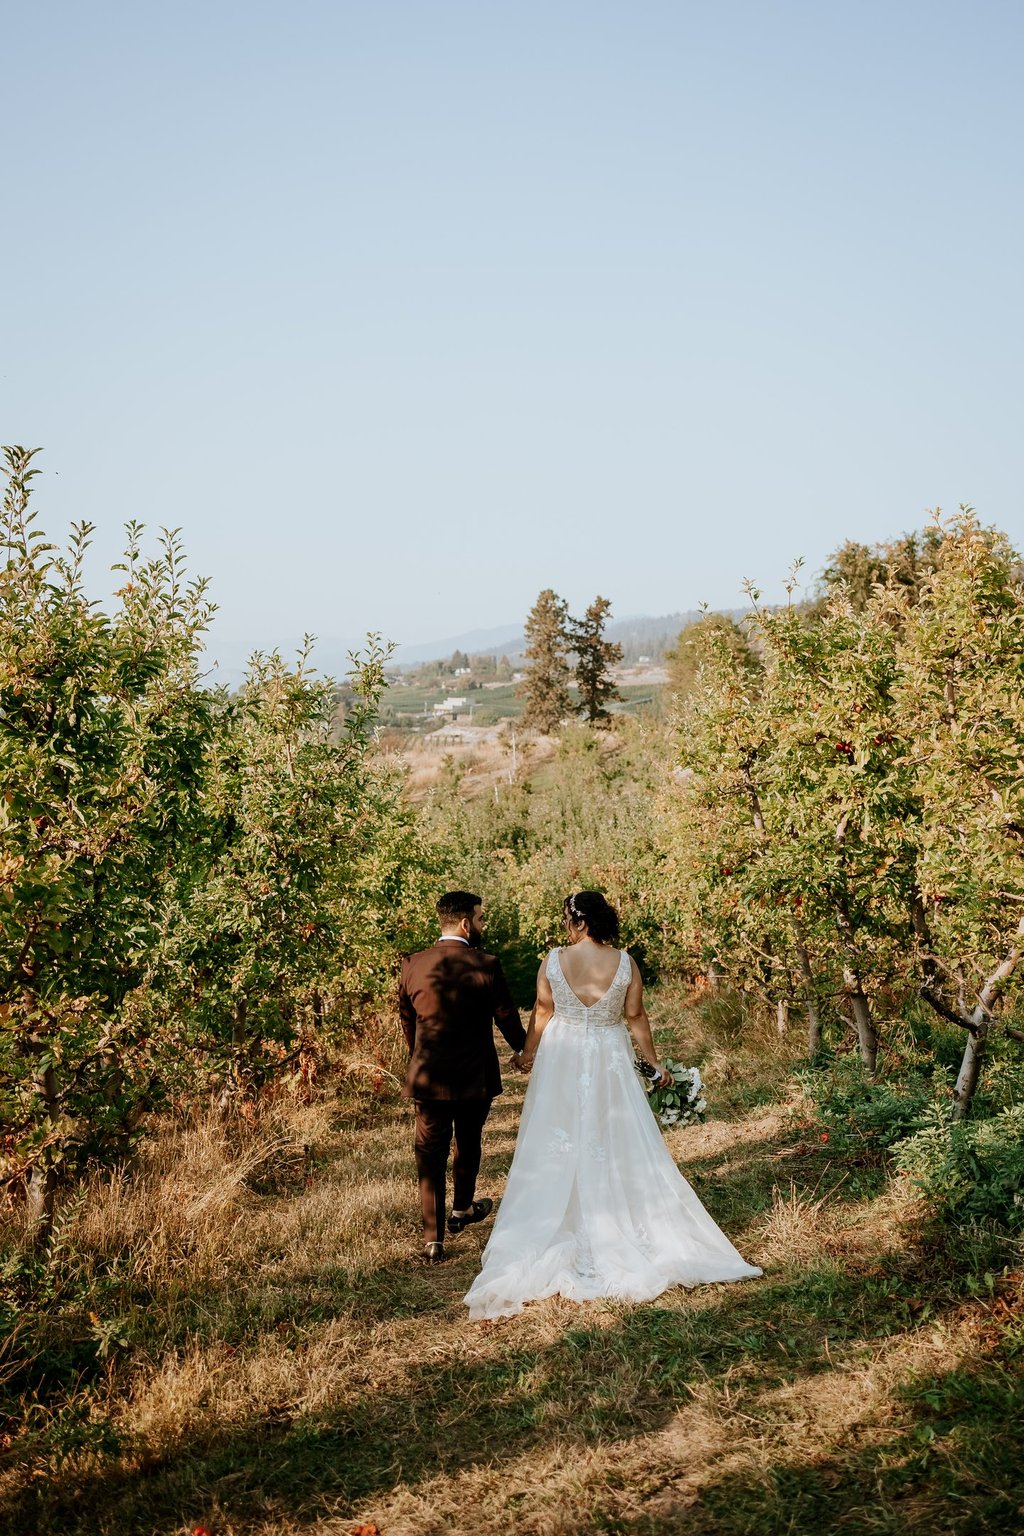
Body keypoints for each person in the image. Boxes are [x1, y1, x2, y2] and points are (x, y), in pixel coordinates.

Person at [464, 891, 761, 1319]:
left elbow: (543, 1012)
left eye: (568, 919)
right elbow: (636, 1016)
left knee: (556, 1134)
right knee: (613, 1134)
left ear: (578, 921)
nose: (566, 925)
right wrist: (654, 1064)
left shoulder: (553, 959)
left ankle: (558, 1221)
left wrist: (528, 1053)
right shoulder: (625, 962)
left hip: (562, 1057)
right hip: (608, 1056)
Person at [399, 890, 527, 1263]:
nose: (483, 925)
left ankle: (433, 1239)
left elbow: (408, 1022)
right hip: (475, 1075)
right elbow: (506, 1017)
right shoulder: (486, 964)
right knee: (468, 1142)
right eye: (481, 918)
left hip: (429, 1073)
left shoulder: (412, 964)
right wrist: (523, 1051)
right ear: (466, 923)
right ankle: (461, 1208)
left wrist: (420, 1056)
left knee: (430, 1151)